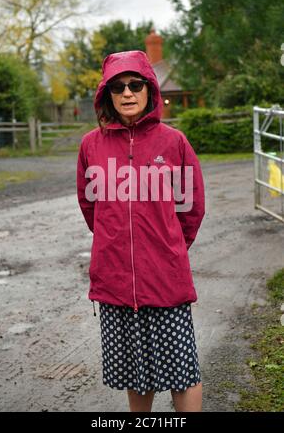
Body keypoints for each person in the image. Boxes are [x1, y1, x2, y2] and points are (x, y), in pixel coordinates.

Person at [76, 50, 205, 412]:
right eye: (118, 87)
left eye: (135, 84)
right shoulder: (91, 146)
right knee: (136, 373)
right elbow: (91, 207)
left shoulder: (173, 142)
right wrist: (116, 241)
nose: (127, 93)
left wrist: (169, 247)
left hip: (166, 278)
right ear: (107, 95)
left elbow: (191, 207)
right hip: (115, 280)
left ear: (149, 89)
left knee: (182, 371)